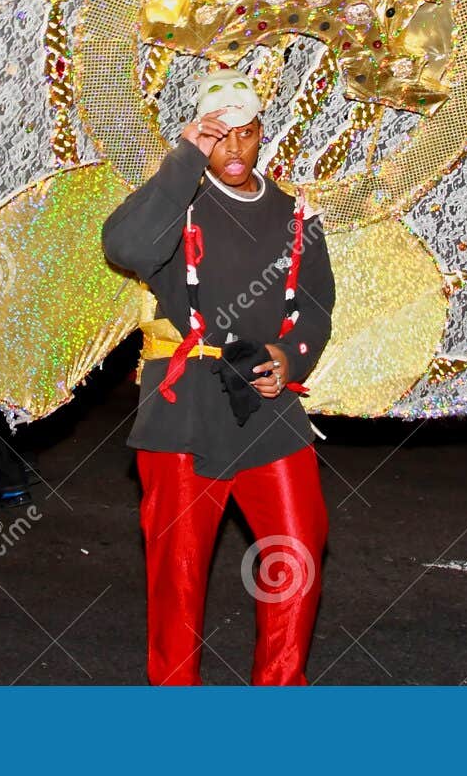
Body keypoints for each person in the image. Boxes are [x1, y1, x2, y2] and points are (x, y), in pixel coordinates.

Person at [101, 67, 336, 686]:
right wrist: (184, 158)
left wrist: (291, 358)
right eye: (217, 135)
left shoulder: (294, 216)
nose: (233, 148)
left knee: (298, 552)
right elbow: (125, 248)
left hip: (268, 405)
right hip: (185, 406)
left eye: (246, 133)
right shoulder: (177, 203)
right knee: (178, 574)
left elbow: (314, 305)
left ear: (265, 134)